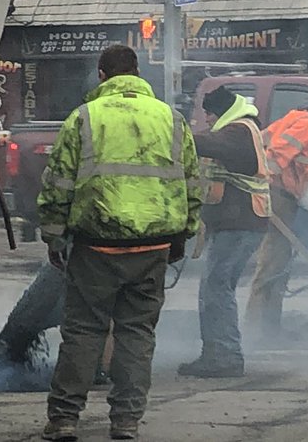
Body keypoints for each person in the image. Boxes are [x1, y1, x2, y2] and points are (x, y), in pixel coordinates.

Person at [38, 44, 200, 442]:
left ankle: (64, 419)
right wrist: (183, 234)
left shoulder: (84, 118)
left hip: (96, 246)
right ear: (138, 73)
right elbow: (192, 184)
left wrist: (54, 237)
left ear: (101, 75)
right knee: (136, 334)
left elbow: (58, 185)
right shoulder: (172, 119)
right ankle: (126, 421)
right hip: (153, 247)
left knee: (84, 332)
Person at [179, 85, 271, 377]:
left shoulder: (239, 130)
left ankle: (225, 356)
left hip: (240, 223)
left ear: (223, 111)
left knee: (216, 288)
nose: (207, 118)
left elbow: (209, 144)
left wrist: (171, 133)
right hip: (237, 223)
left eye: (209, 113)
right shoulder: (239, 129)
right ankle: (217, 353)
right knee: (215, 287)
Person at [245, 105, 308, 343]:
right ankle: (256, 329)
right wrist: (266, 177)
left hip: (278, 194)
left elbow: (258, 142)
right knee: (272, 262)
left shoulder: (287, 120)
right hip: (279, 196)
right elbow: (277, 153)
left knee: (278, 263)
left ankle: (270, 327)